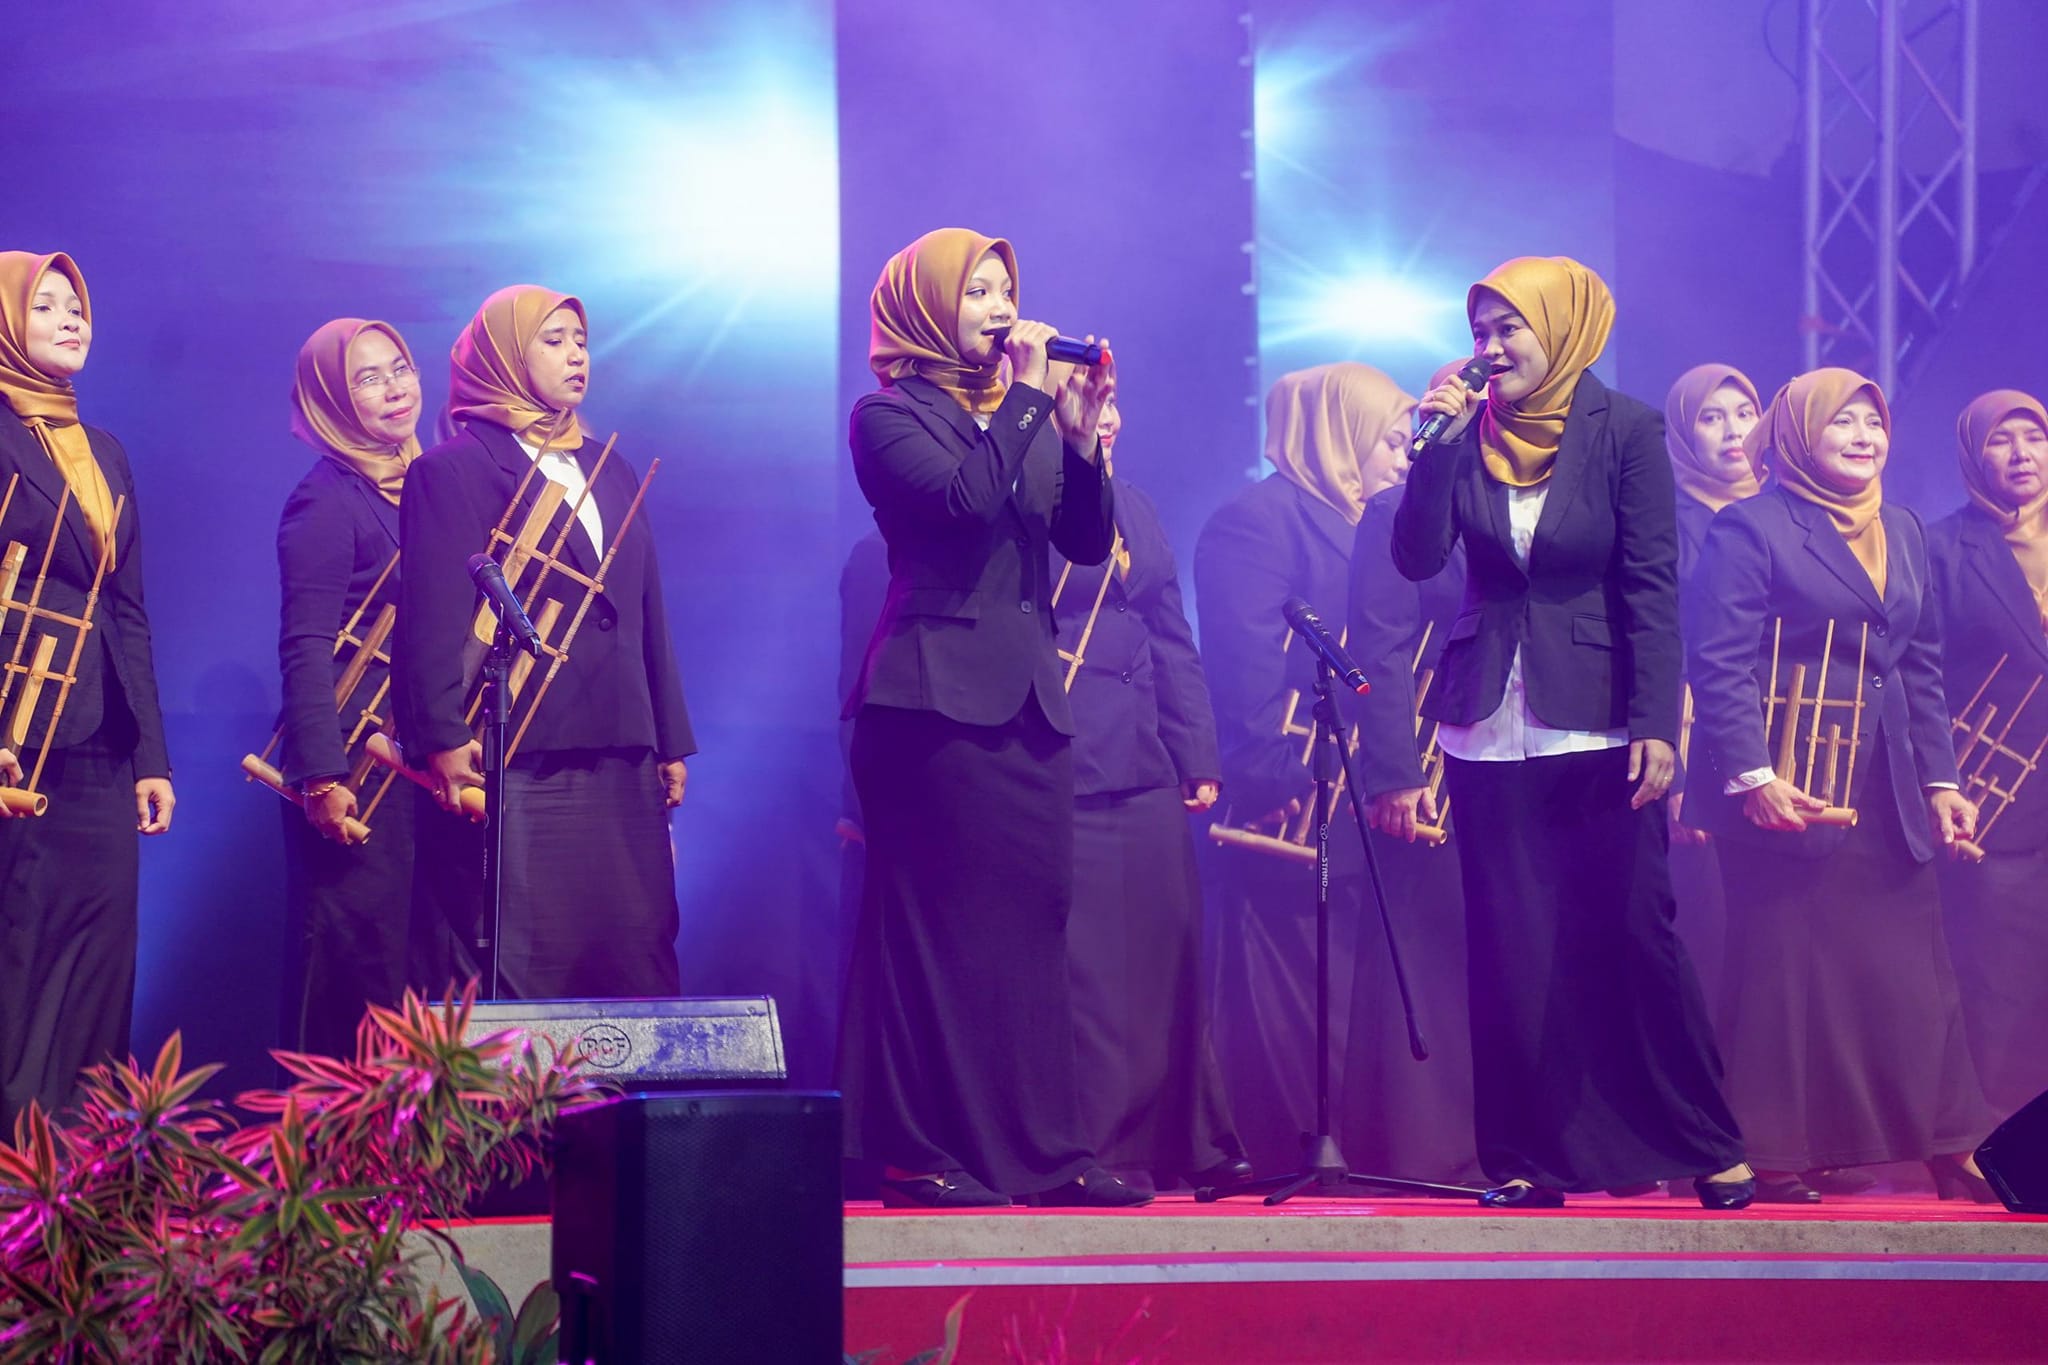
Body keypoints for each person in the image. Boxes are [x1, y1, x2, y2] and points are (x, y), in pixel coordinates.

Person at [1393, 255, 1752, 1210]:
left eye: (1509, 326)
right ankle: (1527, 1158)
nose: (1491, 346)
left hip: (1598, 717)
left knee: (1635, 934)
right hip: (1485, 723)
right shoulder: (1465, 432)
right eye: (1480, 331)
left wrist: (1657, 720)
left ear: (1561, 327)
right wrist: (1433, 445)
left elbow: (1651, 586)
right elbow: (1416, 556)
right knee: (1509, 949)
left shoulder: (1625, 429)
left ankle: (1704, 1143)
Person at [838, 227, 1132, 1209]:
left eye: (1007, 288)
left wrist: (1080, 439)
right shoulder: (887, 417)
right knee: (937, 930)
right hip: (929, 703)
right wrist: (1027, 398)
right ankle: (919, 1150)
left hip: (1025, 696)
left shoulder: (1022, 411)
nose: (1002, 308)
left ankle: (1042, 1150)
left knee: (1030, 924)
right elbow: (962, 505)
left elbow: (1084, 542)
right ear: (926, 307)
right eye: (978, 292)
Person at [1686, 367, 1997, 1202]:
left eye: (1874, 423)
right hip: (1789, 783)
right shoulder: (1751, 527)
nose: (1865, 438)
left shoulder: (1903, 527)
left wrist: (1941, 780)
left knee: (1915, 972)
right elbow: (1717, 661)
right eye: (1843, 424)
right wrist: (1752, 774)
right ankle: (1772, 1150)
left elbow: (1920, 666)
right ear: (1797, 436)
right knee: (1782, 975)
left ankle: (1950, 1143)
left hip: (1888, 785)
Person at [391, 285, 692, 1000]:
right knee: (531, 959)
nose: (576, 355)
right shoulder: (454, 469)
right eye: (553, 341)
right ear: (503, 356)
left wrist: (668, 737)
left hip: (621, 743)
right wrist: (441, 735)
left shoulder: (611, 466)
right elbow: (432, 613)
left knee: (634, 951)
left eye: (580, 341)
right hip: (524, 750)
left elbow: (645, 607)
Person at [1193, 362, 1413, 1176]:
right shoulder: (1257, 522)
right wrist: (1271, 772)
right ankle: (1285, 1150)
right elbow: (1241, 662)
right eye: (1390, 439)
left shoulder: (1378, 526)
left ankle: (1356, 1145)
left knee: (1347, 982)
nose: (1402, 456)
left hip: (1362, 787)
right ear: (1337, 434)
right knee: (1287, 981)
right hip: (1291, 793)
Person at [1054, 393, 1248, 1194]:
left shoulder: (1136, 504)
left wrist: (1196, 750)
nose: (1106, 417)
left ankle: (1189, 1141)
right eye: (1086, 401)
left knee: (1169, 945)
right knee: (1090, 967)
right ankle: (1092, 1145)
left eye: (1112, 400)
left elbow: (1172, 633)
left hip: (1146, 757)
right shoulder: (1030, 502)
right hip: (1066, 753)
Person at [0, 251, 174, 1129]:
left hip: (103, 733)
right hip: (19, 736)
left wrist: (152, 755)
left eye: (77, 305)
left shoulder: (104, 449)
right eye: (46, 305)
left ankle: (89, 1158)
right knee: (22, 950)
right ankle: (17, 1164)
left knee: (103, 948)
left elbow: (127, 608)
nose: (71, 318)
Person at [1341, 359, 1483, 1187]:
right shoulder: (1394, 512)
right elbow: (1381, 646)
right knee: (1427, 945)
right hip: (1432, 764)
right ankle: (1427, 1143)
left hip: (1523, 756)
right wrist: (1394, 771)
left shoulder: (1535, 508)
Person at [273, 318, 430, 1057]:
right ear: (333, 399)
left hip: (421, 757)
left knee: (416, 973)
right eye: (368, 378)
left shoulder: (430, 484)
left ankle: (420, 1130)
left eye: (399, 367)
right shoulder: (326, 500)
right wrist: (322, 775)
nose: (395, 387)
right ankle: (332, 1132)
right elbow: (304, 644)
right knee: (352, 967)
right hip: (357, 768)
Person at [1927, 390, 2048, 1125]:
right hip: (1996, 799)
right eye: (2001, 440)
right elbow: (1922, 677)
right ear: (1974, 457)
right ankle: (1995, 1143)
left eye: (2033, 436)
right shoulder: (1945, 548)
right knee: (2001, 986)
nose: (2021, 453)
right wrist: (1941, 780)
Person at [1661, 364, 1765, 1011]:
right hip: (1697, 749)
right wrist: (1674, 775)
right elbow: (1657, 652)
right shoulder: (1664, 523)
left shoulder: (1787, 511)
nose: (1734, 430)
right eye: (1712, 417)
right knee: (1709, 937)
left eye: (1745, 413)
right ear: (1683, 432)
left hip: (1781, 744)